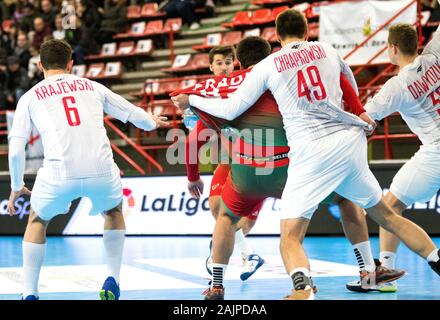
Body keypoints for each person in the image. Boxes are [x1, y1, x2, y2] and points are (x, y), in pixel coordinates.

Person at [172, 9, 440, 300]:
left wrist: (192, 101)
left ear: (276, 37)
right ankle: (373, 269)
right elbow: (347, 81)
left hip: (268, 164)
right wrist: (361, 112)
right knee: (365, 207)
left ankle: (256, 286)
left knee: (257, 226)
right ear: (308, 32)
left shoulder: (261, 71)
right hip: (331, 147)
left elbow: (219, 118)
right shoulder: (325, 49)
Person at [7, 39, 168, 300]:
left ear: (39, 65)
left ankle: (29, 293)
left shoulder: (30, 96)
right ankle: (113, 278)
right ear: (71, 64)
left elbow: (16, 149)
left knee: (37, 219)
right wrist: (152, 123)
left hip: (59, 173)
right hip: (102, 170)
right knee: (114, 211)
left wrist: (16, 187)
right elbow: (132, 113)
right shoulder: (93, 86)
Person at [345, 20, 440, 292]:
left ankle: (385, 272)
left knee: (389, 208)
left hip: (436, 151)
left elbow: (364, 118)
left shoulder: (397, 86)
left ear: (393, 48)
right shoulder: (435, 54)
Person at [184, 45, 266, 282]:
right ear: (210, 67)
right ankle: (249, 255)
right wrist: (192, 176)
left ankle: (241, 254)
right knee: (216, 207)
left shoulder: (250, 86)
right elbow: (193, 142)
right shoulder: (208, 99)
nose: (224, 67)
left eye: (228, 62)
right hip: (230, 162)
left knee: (241, 225)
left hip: (260, 162)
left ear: (236, 64)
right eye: (219, 62)